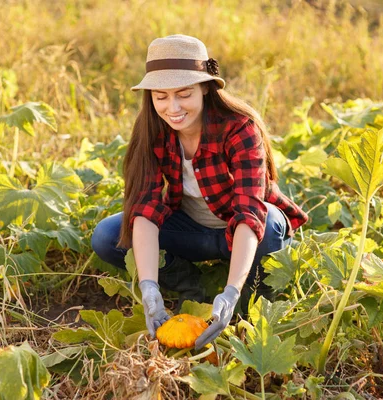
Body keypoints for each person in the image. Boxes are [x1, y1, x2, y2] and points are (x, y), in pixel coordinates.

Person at [91, 34, 308, 350]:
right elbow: (145, 209)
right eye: (160, 96)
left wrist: (232, 291)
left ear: (206, 87)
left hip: (245, 234)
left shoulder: (239, 128)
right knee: (108, 235)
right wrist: (148, 286)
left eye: (183, 94)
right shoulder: (151, 129)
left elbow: (250, 214)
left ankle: (248, 305)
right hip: (194, 234)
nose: (172, 107)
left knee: (272, 223)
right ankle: (191, 287)